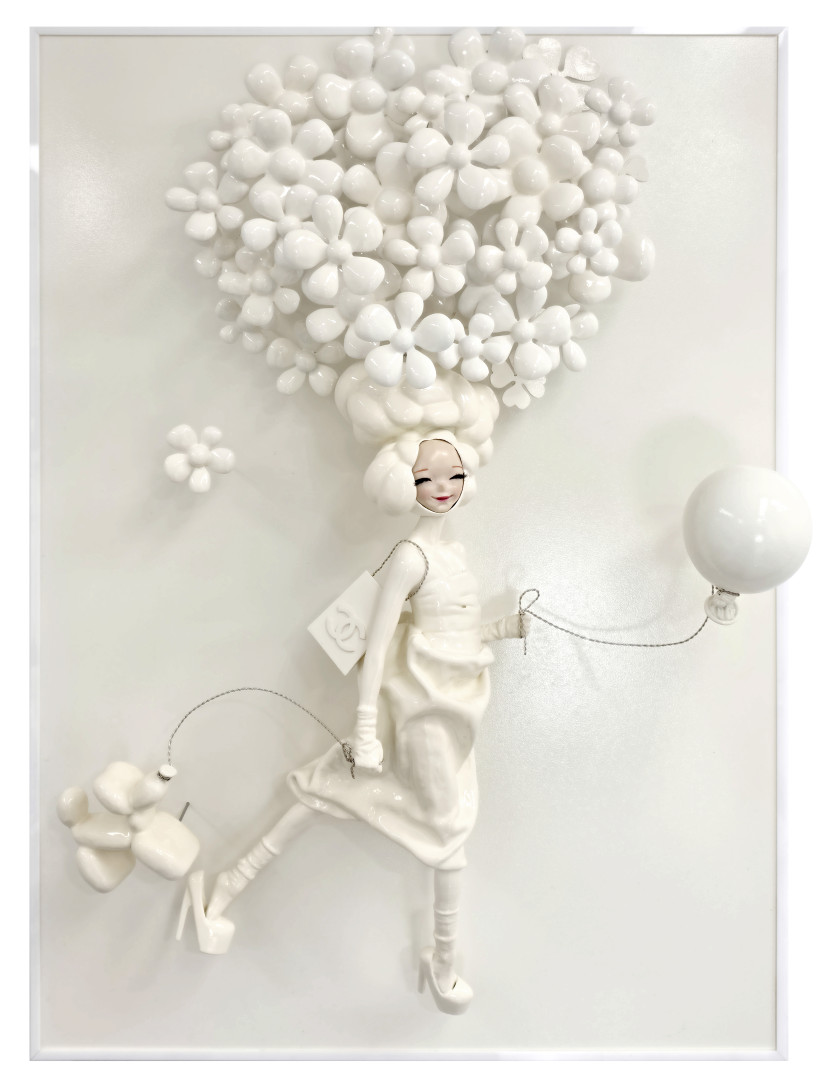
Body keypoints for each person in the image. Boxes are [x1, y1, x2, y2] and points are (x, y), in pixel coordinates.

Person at [178, 433, 529, 1014]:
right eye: (426, 477)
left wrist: (502, 628)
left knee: (332, 789)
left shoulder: (453, 554)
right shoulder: (410, 557)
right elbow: (378, 642)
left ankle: (227, 886)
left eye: (452, 474)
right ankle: (443, 963)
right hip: (419, 710)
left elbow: (456, 632)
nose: (442, 487)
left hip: (455, 709)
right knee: (448, 834)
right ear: (406, 485)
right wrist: (366, 728)